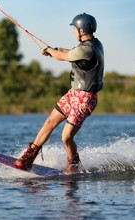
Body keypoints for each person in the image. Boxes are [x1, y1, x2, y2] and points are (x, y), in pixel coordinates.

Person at [14, 13, 104, 174]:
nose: (73, 32)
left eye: (74, 29)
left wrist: (51, 51)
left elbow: (66, 56)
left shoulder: (87, 49)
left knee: (66, 137)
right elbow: (70, 52)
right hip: (73, 94)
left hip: (85, 99)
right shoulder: (95, 44)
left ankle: (74, 165)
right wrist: (53, 50)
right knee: (50, 121)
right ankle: (29, 156)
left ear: (81, 30)